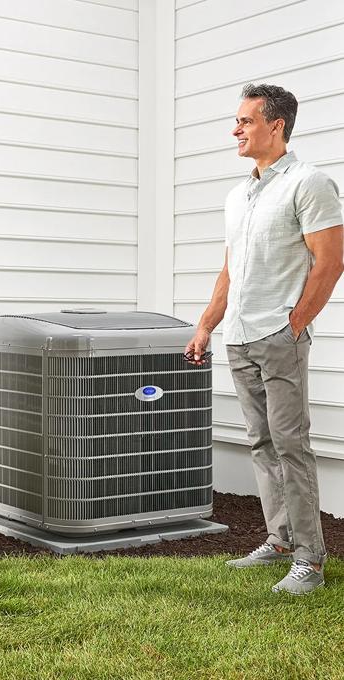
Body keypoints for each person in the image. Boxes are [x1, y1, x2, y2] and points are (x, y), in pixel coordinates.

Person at [185, 83, 343, 595]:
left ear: (276, 125)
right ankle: (278, 539)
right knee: (261, 442)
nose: (236, 129)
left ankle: (310, 561)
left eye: (246, 121)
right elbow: (231, 269)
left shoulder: (309, 182)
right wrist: (208, 323)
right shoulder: (239, 194)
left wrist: (293, 323)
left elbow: (331, 262)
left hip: (278, 336)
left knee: (290, 445)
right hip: (241, 335)